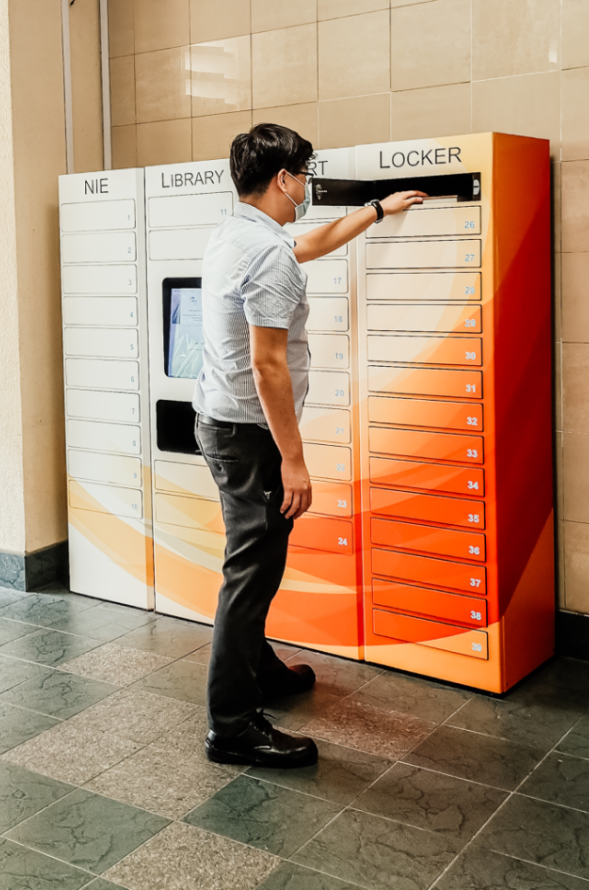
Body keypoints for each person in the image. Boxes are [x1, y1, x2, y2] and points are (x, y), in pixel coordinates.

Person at [193, 123, 426, 768]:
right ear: (284, 179)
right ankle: (233, 727)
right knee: (251, 571)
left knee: (257, 564)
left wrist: (376, 212)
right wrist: (293, 460)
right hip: (251, 435)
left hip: (221, 422)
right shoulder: (266, 254)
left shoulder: (237, 233)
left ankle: (258, 669)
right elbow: (269, 366)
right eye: (305, 172)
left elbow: (305, 245)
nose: (309, 182)